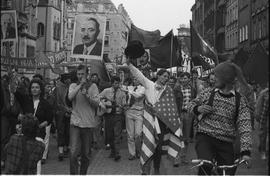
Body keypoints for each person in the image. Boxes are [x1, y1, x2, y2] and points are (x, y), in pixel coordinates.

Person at [121, 40, 184, 175]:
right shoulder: (148, 84)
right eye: (164, 76)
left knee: (158, 148)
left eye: (167, 77)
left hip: (162, 123)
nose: (166, 78)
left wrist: (176, 122)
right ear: (158, 76)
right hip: (149, 120)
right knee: (147, 145)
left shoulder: (169, 91)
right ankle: (145, 171)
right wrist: (129, 64)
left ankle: (156, 170)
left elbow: (172, 109)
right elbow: (139, 75)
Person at [187, 61, 252, 175]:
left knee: (227, 172)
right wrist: (199, 108)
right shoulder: (208, 93)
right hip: (205, 137)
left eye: (217, 76)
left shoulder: (240, 100)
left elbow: (245, 127)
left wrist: (246, 152)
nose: (213, 78)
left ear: (226, 79)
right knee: (205, 166)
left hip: (226, 142)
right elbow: (190, 105)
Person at [68, 64, 100, 174]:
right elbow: (70, 97)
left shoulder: (93, 86)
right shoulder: (73, 85)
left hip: (88, 124)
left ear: (87, 74)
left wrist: (87, 95)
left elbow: (96, 104)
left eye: (82, 74)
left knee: (86, 154)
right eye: (78, 74)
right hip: (75, 123)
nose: (80, 76)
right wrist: (80, 85)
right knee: (73, 153)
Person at [98, 76, 126, 162]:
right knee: (109, 135)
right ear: (112, 83)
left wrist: (121, 106)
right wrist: (104, 103)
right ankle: (113, 151)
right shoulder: (106, 91)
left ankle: (117, 153)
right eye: (114, 83)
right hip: (108, 115)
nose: (116, 85)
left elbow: (124, 105)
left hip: (118, 115)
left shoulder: (122, 93)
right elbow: (97, 97)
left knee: (117, 135)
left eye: (117, 83)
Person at [122, 77, 145, 160]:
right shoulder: (130, 87)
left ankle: (139, 151)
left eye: (137, 79)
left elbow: (138, 96)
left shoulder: (143, 88)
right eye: (134, 79)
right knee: (130, 135)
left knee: (138, 134)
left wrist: (129, 91)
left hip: (139, 113)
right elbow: (121, 87)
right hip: (129, 112)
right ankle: (132, 153)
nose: (135, 80)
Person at [55, 74, 72, 161]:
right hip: (61, 113)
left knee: (69, 131)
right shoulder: (58, 88)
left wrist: (70, 110)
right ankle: (61, 151)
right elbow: (58, 102)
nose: (69, 80)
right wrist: (65, 109)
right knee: (61, 131)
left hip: (71, 113)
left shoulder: (72, 87)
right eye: (68, 79)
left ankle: (67, 147)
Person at [255, 84, 269, 160]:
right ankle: (262, 151)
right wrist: (259, 118)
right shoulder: (265, 93)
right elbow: (262, 108)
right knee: (263, 135)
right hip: (265, 117)